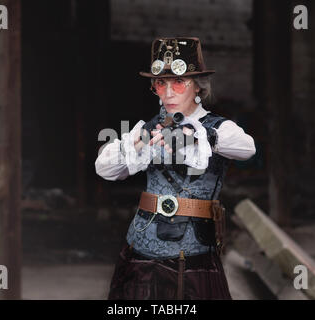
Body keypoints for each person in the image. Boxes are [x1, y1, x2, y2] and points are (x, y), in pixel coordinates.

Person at [95, 37, 256, 300]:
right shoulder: (147, 128)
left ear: (198, 88)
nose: (168, 93)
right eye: (161, 83)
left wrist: (201, 137)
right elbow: (105, 170)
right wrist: (135, 142)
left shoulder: (217, 127)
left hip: (194, 256)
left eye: (179, 83)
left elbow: (248, 148)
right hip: (140, 251)